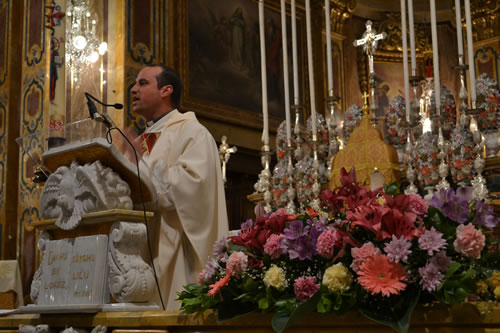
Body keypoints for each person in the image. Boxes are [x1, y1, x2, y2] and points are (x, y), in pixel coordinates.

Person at [130, 64, 229, 309]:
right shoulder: (144, 138)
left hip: (177, 259)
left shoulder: (193, 133)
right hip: (142, 256)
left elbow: (190, 186)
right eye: (135, 83)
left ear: (166, 90)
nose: (133, 89)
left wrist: (137, 168)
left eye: (143, 83)